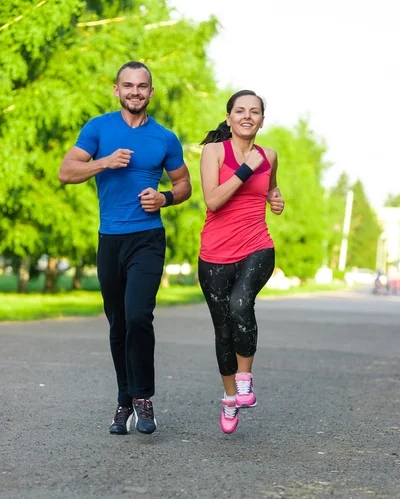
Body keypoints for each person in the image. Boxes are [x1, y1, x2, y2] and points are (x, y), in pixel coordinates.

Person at [58, 61, 191, 436]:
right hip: (110, 239)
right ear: (117, 90)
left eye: (142, 86)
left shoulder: (165, 138)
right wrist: (104, 162)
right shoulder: (98, 128)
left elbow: (184, 185)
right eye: (128, 85)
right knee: (117, 323)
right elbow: (66, 173)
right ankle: (124, 400)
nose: (136, 91)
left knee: (137, 316)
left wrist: (164, 197)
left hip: (147, 238)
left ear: (151, 91)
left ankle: (144, 399)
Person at [198, 90, 284, 434]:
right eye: (240, 111)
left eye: (255, 111)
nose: (247, 116)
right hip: (215, 253)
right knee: (223, 331)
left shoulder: (270, 155)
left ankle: (245, 380)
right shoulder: (213, 152)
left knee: (240, 303)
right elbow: (213, 200)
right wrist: (245, 170)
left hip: (257, 246)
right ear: (230, 117)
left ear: (262, 119)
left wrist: (275, 199)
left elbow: (271, 188)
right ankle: (230, 398)